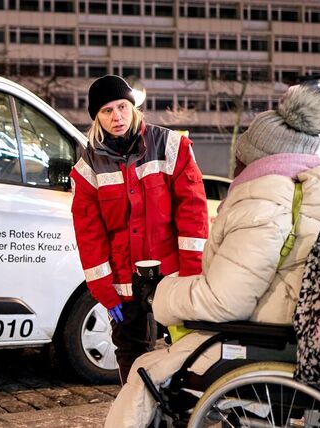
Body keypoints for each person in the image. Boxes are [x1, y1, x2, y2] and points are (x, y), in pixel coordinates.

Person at [104, 85, 320, 427]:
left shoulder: (265, 198)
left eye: (241, 155)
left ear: (257, 156)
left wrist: (161, 294)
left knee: (144, 370)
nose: (236, 164)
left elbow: (224, 301)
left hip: (273, 339)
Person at [70, 75, 209, 385]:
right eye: (106, 111)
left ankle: (183, 414)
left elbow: (193, 213)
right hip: (124, 280)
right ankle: (138, 414)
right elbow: (89, 234)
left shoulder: (171, 146)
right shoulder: (88, 166)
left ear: (133, 107)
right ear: (96, 118)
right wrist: (104, 291)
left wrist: (191, 274)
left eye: (122, 106)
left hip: (172, 275)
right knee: (132, 353)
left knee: (187, 349)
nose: (116, 117)